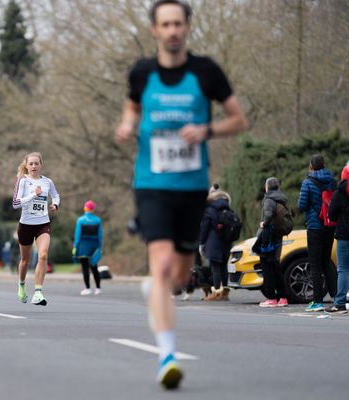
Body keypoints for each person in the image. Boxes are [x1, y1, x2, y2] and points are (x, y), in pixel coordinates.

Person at [114, 0, 248, 389]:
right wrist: (127, 125)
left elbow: (240, 119)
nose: (172, 30)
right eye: (165, 24)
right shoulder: (142, 72)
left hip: (193, 188)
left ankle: (157, 289)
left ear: (188, 27)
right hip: (152, 184)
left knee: (179, 277)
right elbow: (131, 104)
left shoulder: (206, 72)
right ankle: (167, 356)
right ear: (155, 29)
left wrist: (206, 131)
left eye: (178, 23)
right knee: (159, 265)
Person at [12, 152, 60, 306]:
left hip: (42, 224)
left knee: (43, 255)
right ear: (26, 165)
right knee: (25, 260)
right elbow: (16, 204)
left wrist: (55, 204)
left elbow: (56, 195)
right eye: (31, 163)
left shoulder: (47, 182)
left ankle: (38, 292)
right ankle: (21, 285)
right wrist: (33, 194)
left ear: (41, 165)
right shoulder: (23, 181)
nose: (33, 166)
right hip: (25, 225)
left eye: (36, 163)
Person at [297, 154, 337, 312]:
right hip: (329, 225)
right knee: (326, 261)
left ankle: (318, 301)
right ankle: (336, 297)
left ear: (311, 166)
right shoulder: (332, 181)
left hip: (314, 226)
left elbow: (302, 205)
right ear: (324, 165)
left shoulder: (307, 182)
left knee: (314, 264)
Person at [257, 178, 289, 308]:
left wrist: (263, 223)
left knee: (267, 267)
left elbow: (268, 216)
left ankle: (271, 298)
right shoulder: (282, 199)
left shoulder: (269, 199)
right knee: (275, 267)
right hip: (277, 236)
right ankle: (283, 298)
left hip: (268, 237)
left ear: (267, 187)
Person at [199, 185, 233, 301]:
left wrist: (201, 243)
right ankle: (225, 294)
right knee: (224, 267)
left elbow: (205, 228)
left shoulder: (210, 210)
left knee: (215, 268)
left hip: (213, 242)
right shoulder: (228, 208)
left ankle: (216, 293)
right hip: (226, 242)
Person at [325, 165, 349, 314]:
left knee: (343, 269)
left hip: (344, 236)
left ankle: (339, 303)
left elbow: (331, 214)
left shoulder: (339, 193)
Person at [73, 200, 103, 295]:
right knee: (94, 267)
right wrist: (99, 247)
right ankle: (98, 288)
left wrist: (75, 247)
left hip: (83, 246)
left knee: (85, 267)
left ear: (85, 208)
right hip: (94, 246)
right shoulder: (98, 220)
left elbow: (78, 236)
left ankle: (88, 288)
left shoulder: (80, 220)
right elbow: (100, 236)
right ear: (93, 210)